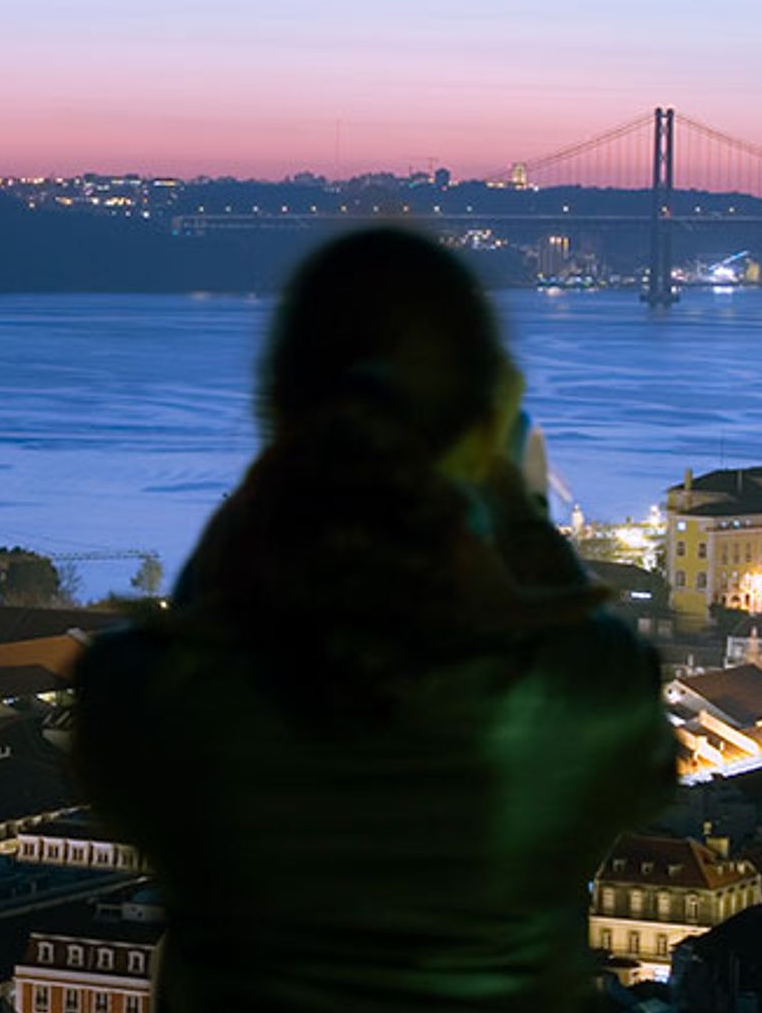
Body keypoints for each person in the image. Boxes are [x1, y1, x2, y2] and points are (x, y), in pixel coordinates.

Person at [74, 228, 676, 1011]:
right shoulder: (583, 696)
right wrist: (515, 504)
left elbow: (197, 632)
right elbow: (631, 735)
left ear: (279, 412)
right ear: (478, 425)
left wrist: (278, 490)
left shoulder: (144, 697)